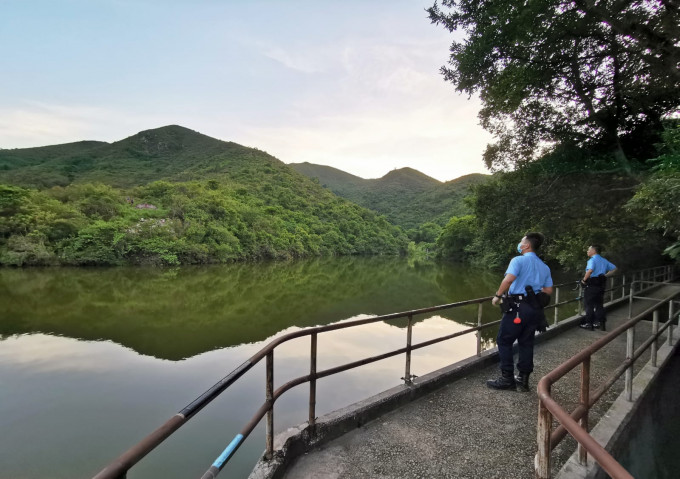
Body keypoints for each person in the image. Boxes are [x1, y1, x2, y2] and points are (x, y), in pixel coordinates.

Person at [487, 232, 553, 392]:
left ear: (526, 245)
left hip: (517, 308)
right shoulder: (544, 266)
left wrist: (497, 296)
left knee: (504, 340)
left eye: (521, 241)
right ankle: (523, 380)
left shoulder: (518, 260)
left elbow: (509, 279)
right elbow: (548, 291)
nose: (519, 244)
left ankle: (507, 378)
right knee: (526, 342)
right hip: (534, 309)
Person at [580, 245, 617, 331]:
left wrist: (584, 280)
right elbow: (614, 269)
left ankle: (589, 323)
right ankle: (600, 323)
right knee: (599, 305)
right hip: (601, 284)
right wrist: (605, 275)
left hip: (592, 284)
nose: (587, 251)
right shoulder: (604, 260)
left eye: (588, 249)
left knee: (589, 304)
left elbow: (590, 270)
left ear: (594, 251)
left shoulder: (592, 260)